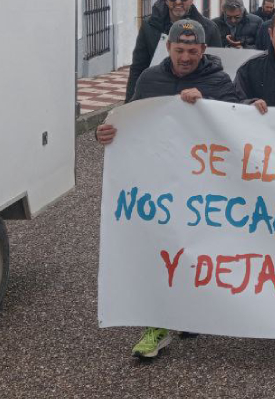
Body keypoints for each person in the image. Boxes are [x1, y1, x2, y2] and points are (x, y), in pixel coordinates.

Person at [96, 19, 241, 359]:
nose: (186, 57)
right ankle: (156, 325)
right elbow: (130, 118)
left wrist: (207, 102)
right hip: (157, 183)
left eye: (193, 50)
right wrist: (106, 132)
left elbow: (241, 121)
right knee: (159, 248)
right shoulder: (150, 79)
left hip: (205, 187)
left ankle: (189, 311)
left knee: (197, 248)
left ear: (204, 50)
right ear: (168, 48)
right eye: (180, 50)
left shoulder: (219, 81)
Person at [126, 0, 222, 103]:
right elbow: (138, 67)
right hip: (157, 92)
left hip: (195, 94)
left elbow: (216, 68)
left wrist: (207, 96)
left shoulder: (209, 28)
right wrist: (129, 103)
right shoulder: (149, 26)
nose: (178, 1)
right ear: (166, 0)